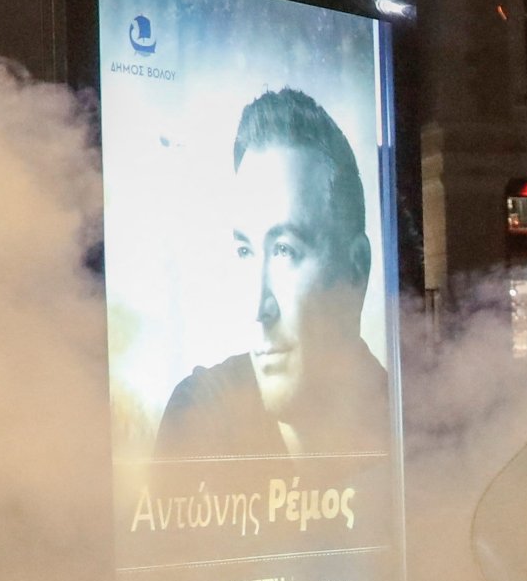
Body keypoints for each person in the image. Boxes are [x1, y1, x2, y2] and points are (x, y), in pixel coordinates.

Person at [156, 87, 391, 461]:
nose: (258, 307)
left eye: (285, 250)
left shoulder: (410, 423)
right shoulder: (198, 416)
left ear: (356, 271)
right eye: (246, 251)